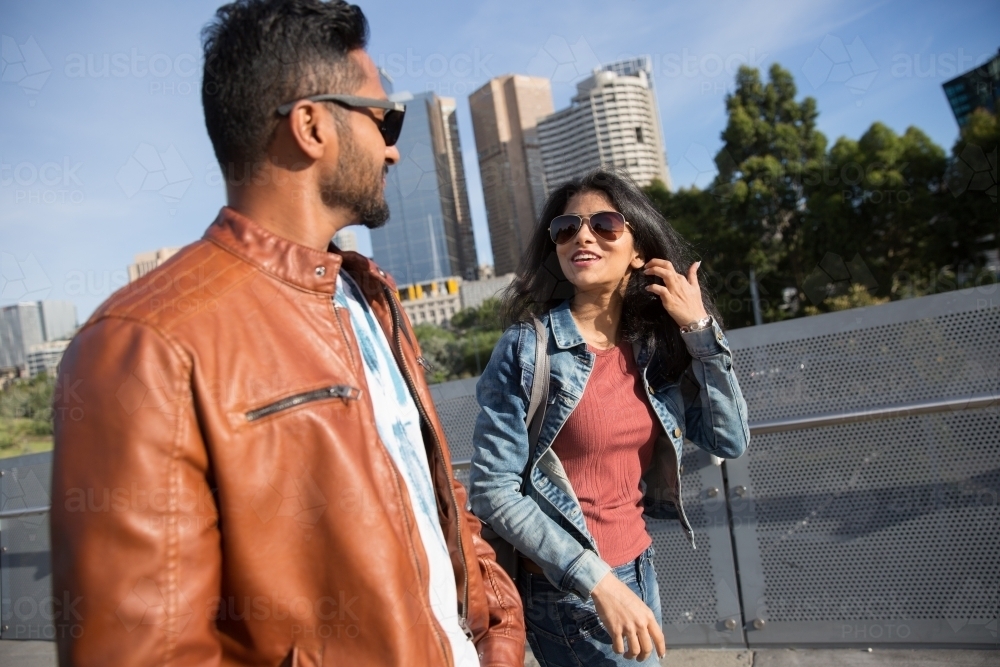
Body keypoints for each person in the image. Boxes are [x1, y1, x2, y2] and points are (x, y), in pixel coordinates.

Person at [50, 1, 524, 665]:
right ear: (310, 125)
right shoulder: (144, 344)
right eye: (386, 117)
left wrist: (498, 634)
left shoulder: (373, 299)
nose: (393, 145)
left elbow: (439, 503)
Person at [468, 169, 750, 665]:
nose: (583, 235)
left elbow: (728, 439)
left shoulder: (654, 349)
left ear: (639, 250)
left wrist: (699, 331)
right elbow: (493, 489)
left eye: (604, 223)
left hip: (638, 564)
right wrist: (596, 580)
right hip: (571, 590)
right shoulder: (527, 349)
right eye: (566, 227)